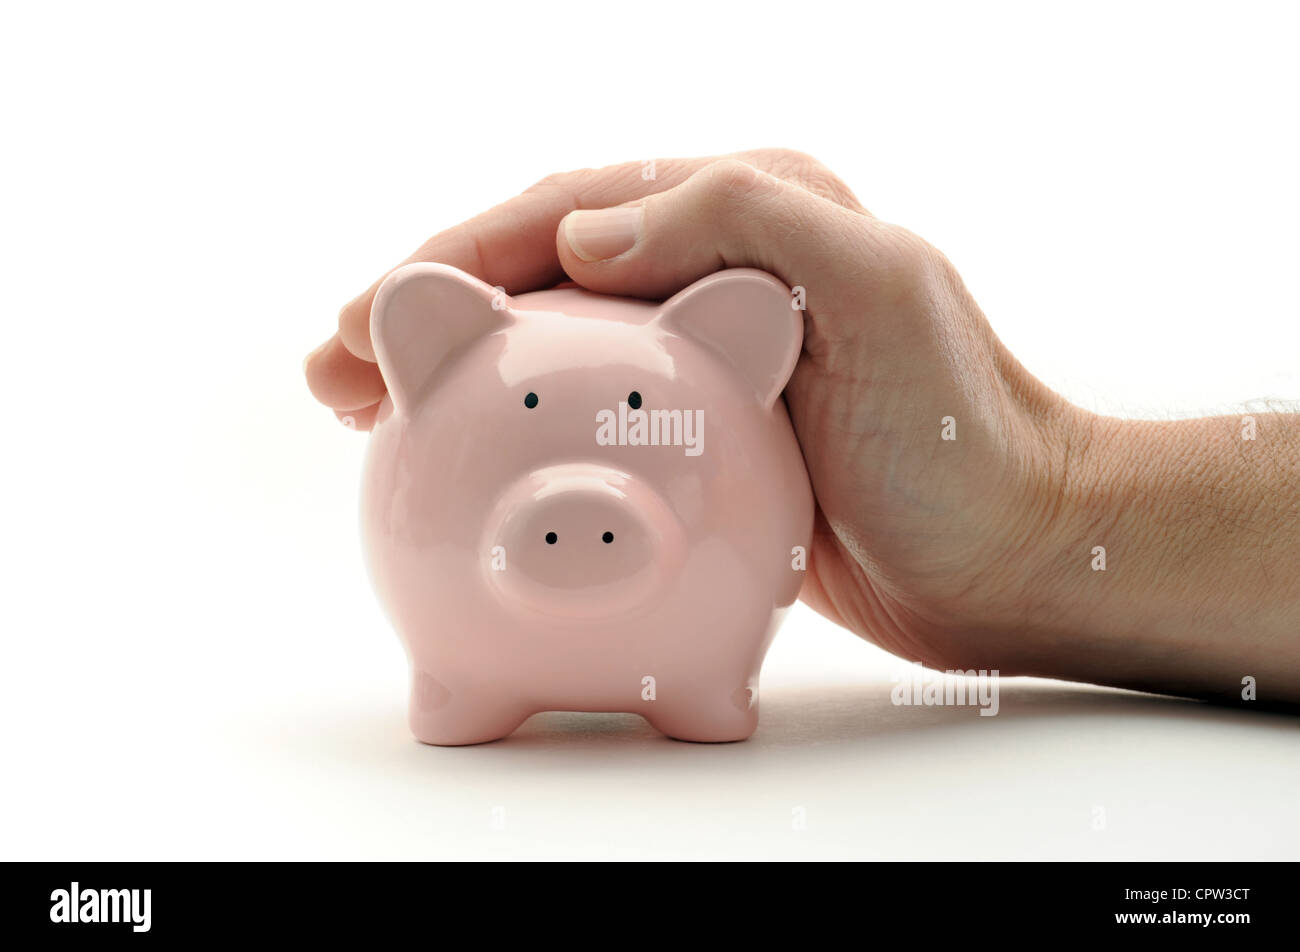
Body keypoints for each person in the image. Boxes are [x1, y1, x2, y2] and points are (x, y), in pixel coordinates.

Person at [304, 149, 1300, 706]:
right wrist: (1036, 531)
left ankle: (692, 692)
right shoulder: (452, 350)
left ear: (747, 350)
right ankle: (462, 689)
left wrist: (1043, 525)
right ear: (427, 346)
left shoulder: (724, 349)